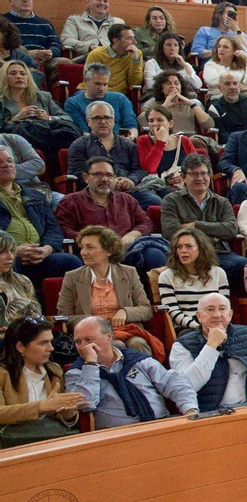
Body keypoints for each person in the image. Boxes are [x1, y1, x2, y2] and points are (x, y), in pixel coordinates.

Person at [65, 315, 197, 427]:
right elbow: (85, 404)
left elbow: (172, 382)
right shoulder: (76, 372)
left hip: (160, 424)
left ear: (109, 337)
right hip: (116, 437)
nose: (82, 346)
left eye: (88, 340)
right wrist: (91, 364)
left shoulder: (137, 359)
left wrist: (190, 410)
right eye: (78, 341)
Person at [168, 292, 247, 411]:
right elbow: (188, 386)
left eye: (222, 309)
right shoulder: (182, 346)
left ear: (230, 314)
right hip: (212, 413)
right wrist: (211, 345)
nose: (217, 315)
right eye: (210, 310)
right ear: (199, 316)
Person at [57, 226, 158, 357]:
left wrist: (126, 312)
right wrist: (95, 322)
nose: (83, 252)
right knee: (116, 345)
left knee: (138, 343)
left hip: (127, 330)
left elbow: (146, 309)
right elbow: (65, 317)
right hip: (93, 335)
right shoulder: (72, 277)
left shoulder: (129, 273)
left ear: (108, 251)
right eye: (82, 247)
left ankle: (147, 376)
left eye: (90, 247)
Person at [54, 156, 161, 278]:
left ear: (115, 178)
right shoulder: (70, 202)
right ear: (86, 178)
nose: (104, 179)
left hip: (128, 250)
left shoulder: (126, 199)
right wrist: (95, 243)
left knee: (155, 255)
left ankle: (156, 296)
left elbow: (146, 222)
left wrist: (132, 235)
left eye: (109, 175)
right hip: (92, 253)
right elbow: (64, 229)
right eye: (97, 174)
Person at [159, 156, 244, 288]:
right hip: (185, 254)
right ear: (183, 177)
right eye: (194, 174)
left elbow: (231, 229)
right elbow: (171, 231)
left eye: (204, 173)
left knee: (242, 264)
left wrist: (195, 225)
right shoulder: (171, 201)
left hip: (218, 253)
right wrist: (214, 236)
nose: (200, 178)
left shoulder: (222, 202)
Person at [0, 314, 82, 442]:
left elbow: (59, 416)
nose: (51, 348)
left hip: (49, 437)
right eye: (43, 343)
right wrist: (40, 406)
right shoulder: (2, 374)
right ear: (20, 347)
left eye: (50, 341)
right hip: (13, 442)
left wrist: (69, 413)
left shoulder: (54, 371)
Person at [68, 101, 157, 210]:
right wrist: (109, 181)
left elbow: (139, 169)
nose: (103, 122)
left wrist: (130, 180)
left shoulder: (128, 145)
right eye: (97, 118)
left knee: (155, 201)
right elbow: (78, 173)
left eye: (107, 117)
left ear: (113, 120)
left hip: (127, 191)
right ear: (88, 121)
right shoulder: (79, 145)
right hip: (96, 192)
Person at [157, 229, 227, 334]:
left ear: (201, 249)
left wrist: (215, 326)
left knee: (245, 335)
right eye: (179, 247)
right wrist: (200, 327)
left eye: (189, 246)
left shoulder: (218, 273)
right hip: (187, 328)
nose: (183, 251)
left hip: (216, 324)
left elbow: (224, 307)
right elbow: (173, 312)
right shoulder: (167, 276)